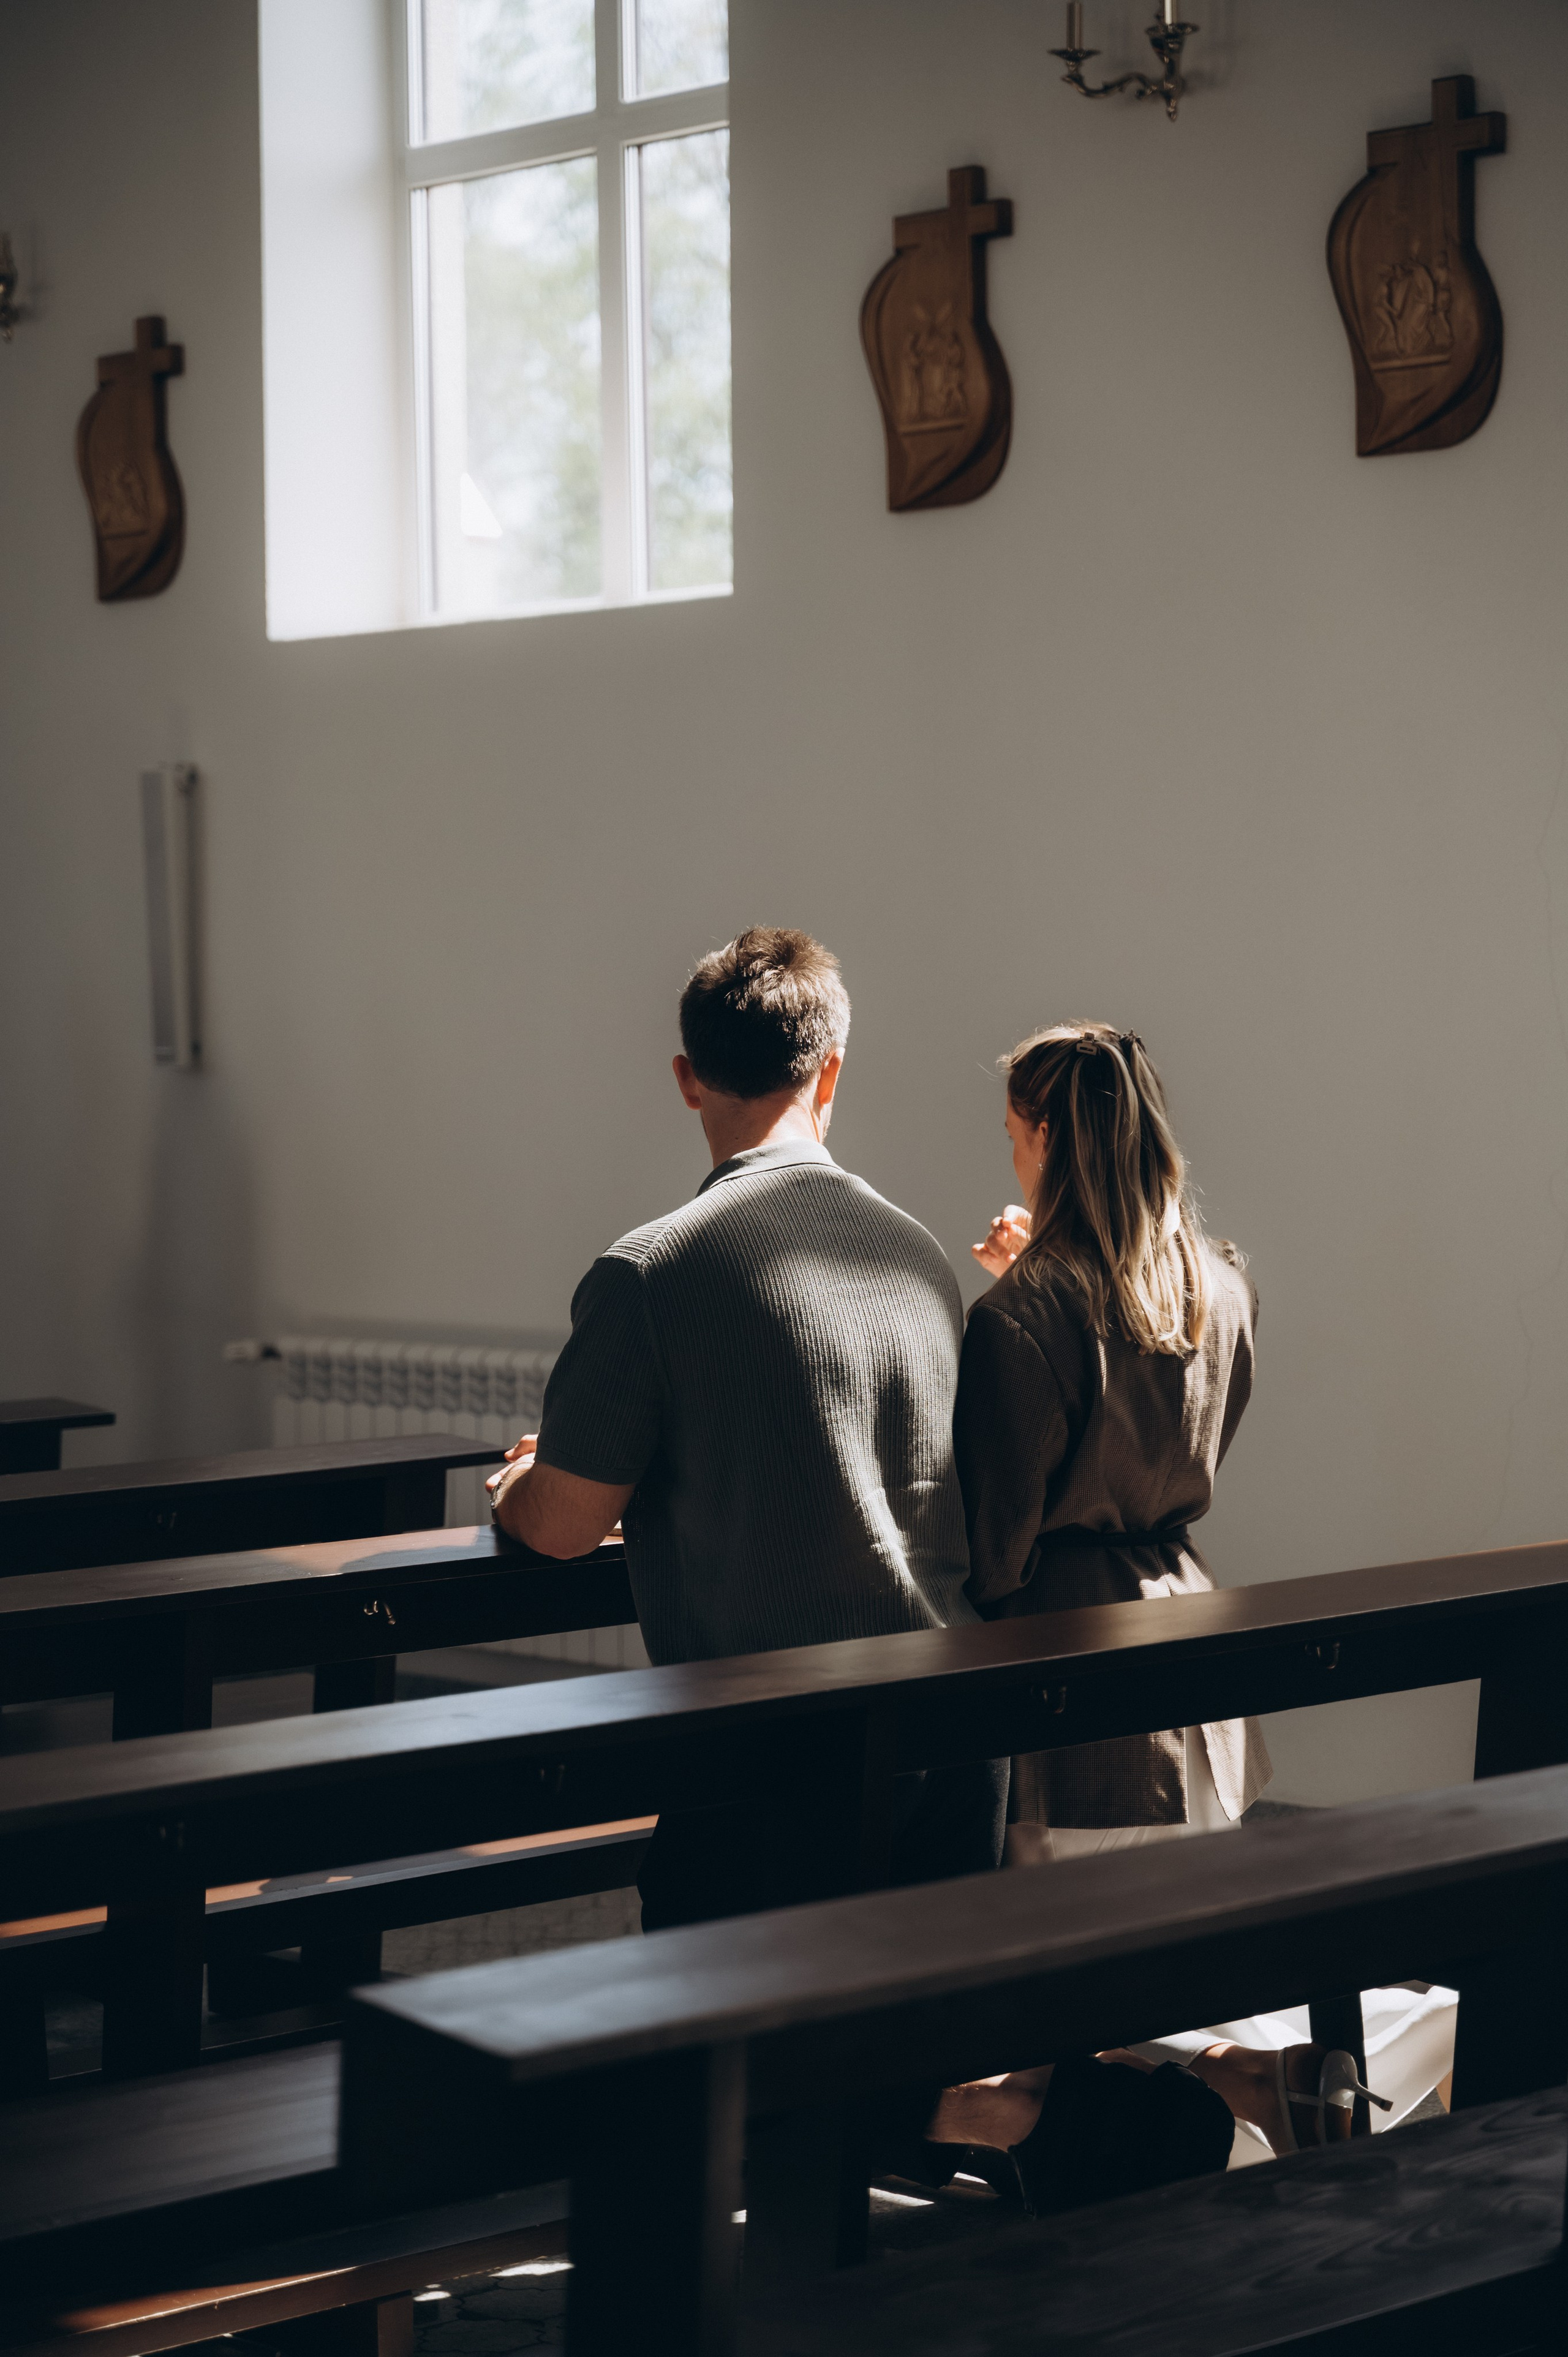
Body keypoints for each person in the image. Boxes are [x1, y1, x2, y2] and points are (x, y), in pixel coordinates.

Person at [488, 927, 1007, 1929]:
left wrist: (526, 1480)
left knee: (741, 2079)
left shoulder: (650, 1273)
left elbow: (561, 1527)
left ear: (688, 1078)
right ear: (832, 1072)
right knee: (921, 2076)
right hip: (949, 1736)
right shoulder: (917, 1256)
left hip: (777, 1756)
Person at [956, 1020, 1272, 1860]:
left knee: (1059, 1974)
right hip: (1200, 1672)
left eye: (1016, 1136)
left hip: (1073, 1697)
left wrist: (1026, 1296)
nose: (1014, 1158)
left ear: (1048, 1137)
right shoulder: (1224, 1288)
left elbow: (996, 1553)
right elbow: (1136, 1401)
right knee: (1198, 1972)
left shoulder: (1015, 1321)